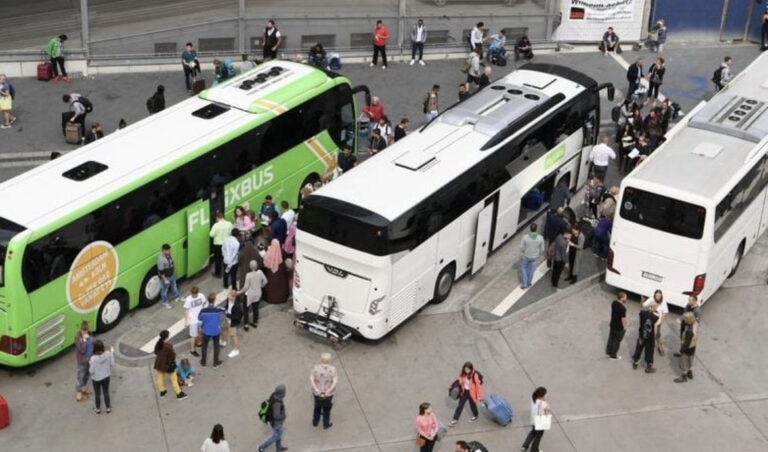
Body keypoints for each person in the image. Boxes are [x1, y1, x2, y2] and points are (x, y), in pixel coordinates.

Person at [153, 330, 189, 399]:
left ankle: (162, 391)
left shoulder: (158, 343)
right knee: (174, 379)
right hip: (168, 365)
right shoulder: (168, 346)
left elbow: (156, 352)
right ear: (167, 337)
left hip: (159, 363)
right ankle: (179, 393)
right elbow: (172, 356)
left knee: (160, 377)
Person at [310, 352, 338, 429]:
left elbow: (312, 378)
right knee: (326, 408)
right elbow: (335, 381)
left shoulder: (315, 368)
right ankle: (326, 424)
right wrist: (329, 391)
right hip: (328, 394)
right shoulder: (332, 369)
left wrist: (316, 388)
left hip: (317, 392)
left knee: (317, 407)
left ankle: (315, 421)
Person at [258, 384, 288, 452]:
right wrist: (283, 416)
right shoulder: (277, 404)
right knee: (276, 437)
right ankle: (261, 447)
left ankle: (279, 448)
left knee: (278, 435)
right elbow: (276, 416)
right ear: (281, 393)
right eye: (284, 392)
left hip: (274, 422)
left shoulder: (274, 395)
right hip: (277, 423)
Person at [239, 259, 267, 328]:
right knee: (255, 308)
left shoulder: (248, 275)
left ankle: (246, 324)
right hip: (258, 293)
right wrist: (261, 286)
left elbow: (246, 287)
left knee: (246, 309)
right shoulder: (260, 272)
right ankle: (255, 322)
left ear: (250, 266)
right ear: (256, 266)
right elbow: (265, 281)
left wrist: (239, 292)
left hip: (249, 294)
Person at [199, 293, 224, 367]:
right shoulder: (218, 310)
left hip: (206, 331)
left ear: (207, 300)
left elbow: (199, 318)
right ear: (214, 300)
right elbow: (222, 316)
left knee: (204, 346)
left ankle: (203, 361)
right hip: (216, 331)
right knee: (216, 346)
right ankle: (215, 362)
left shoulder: (203, 311)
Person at [88, 340, 114, 414]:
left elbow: (91, 371)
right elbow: (112, 363)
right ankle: (108, 408)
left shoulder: (93, 359)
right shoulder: (108, 354)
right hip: (106, 377)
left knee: (97, 393)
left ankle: (98, 409)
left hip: (96, 379)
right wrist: (112, 353)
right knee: (106, 392)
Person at [521, 387, 550, 452]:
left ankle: (524, 446)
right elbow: (548, 408)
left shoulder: (533, 399)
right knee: (538, 437)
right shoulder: (542, 403)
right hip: (540, 422)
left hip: (534, 420)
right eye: (545, 394)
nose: (546, 395)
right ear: (541, 395)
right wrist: (546, 400)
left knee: (533, 433)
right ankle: (534, 450)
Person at [632, 303, 658, 373]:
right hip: (650, 336)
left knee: (639, 349)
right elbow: (657, 318)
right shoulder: (655, 317)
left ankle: (635, 362)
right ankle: (649, 366)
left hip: (642, 335)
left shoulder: (642, 314)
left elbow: (641, 324)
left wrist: (640, 336)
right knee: (650, 351)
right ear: (654, 308)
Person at [643, 289, 669, 356]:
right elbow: (644, 305)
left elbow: (664, 313)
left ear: (661, 296)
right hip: (650, 319)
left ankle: (660, 348)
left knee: (657, 336)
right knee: (647, 333)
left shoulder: (663, 302)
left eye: (659, 295)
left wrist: (660, 322)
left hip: (658, 321)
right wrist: (644, 301)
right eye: (657, 295)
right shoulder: (651, 299)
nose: (658, 297)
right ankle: (646, 345)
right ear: (654, 295)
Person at [674, 311, 698, 383]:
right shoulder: (694, 323)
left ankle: (684, 376)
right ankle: (690, 372)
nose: (682, 319)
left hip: (687, 349)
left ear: (687, 320)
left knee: (685, 362)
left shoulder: (689, 331)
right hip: (693, 347)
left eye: (684, 318)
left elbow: (686, 343)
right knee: (690, 360)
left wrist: (681, 351)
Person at [519, 223, 545, 289]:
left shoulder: (525, 237)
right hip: (535, 256)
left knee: (523, 268)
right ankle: (529, 282)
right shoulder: (540, 238)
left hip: (526, 255)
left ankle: (524, 283)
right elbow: (542, 249)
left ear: (530, 229)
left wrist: (524, 251)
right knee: (531, 270)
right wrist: (538, 254)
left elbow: (521, 248)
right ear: (536, 229)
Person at [263, 239, 289, 304]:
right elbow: (286, 255)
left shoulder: (269, 252)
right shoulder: (281, 252)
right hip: (281, 273)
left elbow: (265, 262)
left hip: (271, 274)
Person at [184, 286, 206, 357]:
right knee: (193, 336)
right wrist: (186, 321)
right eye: (194, 295)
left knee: (200, 332)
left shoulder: (201, 296)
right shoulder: (188, 299)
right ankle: (192, 350)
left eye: (195, 294)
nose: (194, 296)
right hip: (193, 320)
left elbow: (204, 303)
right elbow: (186, 310)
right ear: (191, 293)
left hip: (200, 318)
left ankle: (199, 343)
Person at [75, 321, 94, 402]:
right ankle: (78, 392)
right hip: (82, 361)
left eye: (86, 330)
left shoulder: (90, 335)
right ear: (81, 330)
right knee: (80, 376)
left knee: (87, 375)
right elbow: (82, 350)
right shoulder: (78, 338)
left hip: (90, 360)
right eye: (83, 330)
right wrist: (84, 340)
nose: (85, 332)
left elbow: (93, 345)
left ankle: (83, 388)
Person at [209, 211, 233, 277]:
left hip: (218, 244)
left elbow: (211, 234)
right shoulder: (229, 224)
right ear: (223, 216)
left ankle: (218, 273)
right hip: (227, 243)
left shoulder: (216, 225)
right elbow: (231, 232)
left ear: (217, 218)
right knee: (227, 257)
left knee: (218, 259)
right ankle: (228, 271)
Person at [606, 291, 628, 359]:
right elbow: (623, 319)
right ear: (622, 298)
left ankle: (608, 351)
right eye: (625, 297)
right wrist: (625, 327)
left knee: (611, 338)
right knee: (617, 342)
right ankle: (613, 355)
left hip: (612, 324)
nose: (626, 299)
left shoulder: (613, 303)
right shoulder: (623, 308)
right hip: (619, 328)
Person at [157, 244, 180, 309]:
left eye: (169, 250)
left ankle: (177, 297)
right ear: (164, 250)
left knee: (174, 286)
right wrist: (165, 279)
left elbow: (172, 263)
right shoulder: (161, 259)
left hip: (171, 275)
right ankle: (164, 302)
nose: (169, 251)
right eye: (168, 250)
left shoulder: (169, 255)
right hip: (166, 277)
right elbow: (161, 271)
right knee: (164, 290)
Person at [223, 290, 242, 358]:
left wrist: (228, 315)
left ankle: (236, 350)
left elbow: (237, 316)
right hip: (227, 320)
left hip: (232, 322)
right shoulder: (229, 301)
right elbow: (227, 306)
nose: (227, 296)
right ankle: (224, 341)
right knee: (225, 329)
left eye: (229, 295)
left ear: (233, 297)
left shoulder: (237, 306)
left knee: (234, 336)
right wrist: (224, 309)